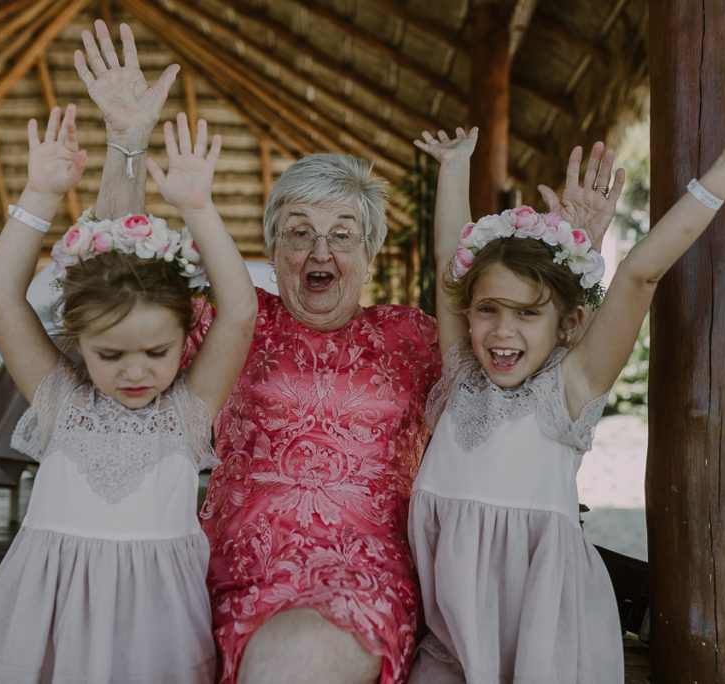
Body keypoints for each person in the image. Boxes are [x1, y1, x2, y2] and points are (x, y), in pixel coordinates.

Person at [73, 20, 624, 683]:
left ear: (369, 257)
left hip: (364, 580)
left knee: (293, 659)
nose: (320, 252)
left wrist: (581, 251)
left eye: (343, 235)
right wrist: (127, 145)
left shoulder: (413, 336)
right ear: (274, 251)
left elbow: (540, 358)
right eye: (299, 232)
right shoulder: (233, 321)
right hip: (232, 577)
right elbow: (119, 279)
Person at [406, 96, 725, 683]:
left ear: (567, 325)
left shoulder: (570, 386)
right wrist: (455, 166)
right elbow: (447, 262)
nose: (502, 330)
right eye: (486, 310)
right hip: (452, 639)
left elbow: (641, 270)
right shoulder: (461, 376)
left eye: (526, 313)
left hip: (543, 634)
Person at [0, 104, 256, 682]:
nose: (134, 372)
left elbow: (239, 312)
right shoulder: (60, 400)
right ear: (78, 342)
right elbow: (0, 296)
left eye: (157, 353)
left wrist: (198, 208)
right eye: (110, 355)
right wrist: (39, 195)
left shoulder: (190, 412)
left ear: (185, 336)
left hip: (156, 623)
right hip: (46, 612)